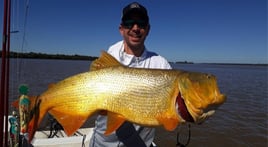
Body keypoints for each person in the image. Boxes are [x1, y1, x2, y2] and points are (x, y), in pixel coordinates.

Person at [89, 2, 172, 147]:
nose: (135, 28)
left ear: (148, 29)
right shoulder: (110, 57)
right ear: (121, 29)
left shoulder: (161, 65)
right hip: (102, 144)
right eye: (129, 23)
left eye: (141, 23)